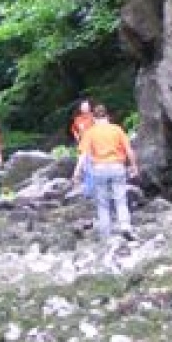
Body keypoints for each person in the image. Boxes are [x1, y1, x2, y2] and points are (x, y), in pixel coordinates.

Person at [71, 103, 139, 242]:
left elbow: (83, 155)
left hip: (99, 169)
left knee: (103, 203)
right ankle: (125, 226)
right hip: (117, 167)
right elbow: (128, 150)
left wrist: (76, 173)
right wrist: (134, 166)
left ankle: (105, 235)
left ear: (94, 118)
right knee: (121, 199)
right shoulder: (117, 129)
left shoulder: (90, 132)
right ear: (108, 117)